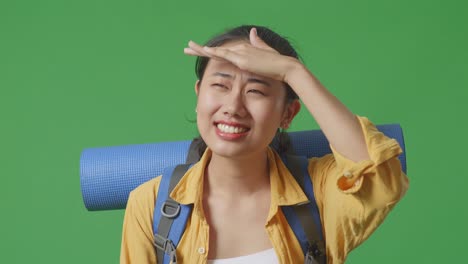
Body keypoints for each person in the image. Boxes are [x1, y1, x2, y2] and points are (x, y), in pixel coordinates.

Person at [120, 25, 409, 264]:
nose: (233, 106)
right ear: (198, 95)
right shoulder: (151, 205)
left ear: (288, 113)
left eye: (256, 90)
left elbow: (380, 176)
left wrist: (292, 72)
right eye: (221, 85)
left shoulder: (317, 195)